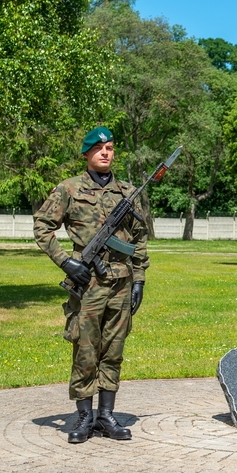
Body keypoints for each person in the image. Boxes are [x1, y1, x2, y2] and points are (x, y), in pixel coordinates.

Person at [33, 127, 149, 444]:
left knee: (113, 350)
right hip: (88, 284)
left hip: (121, 284)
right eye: (98, 148)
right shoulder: (68, 189)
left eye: (110, 147)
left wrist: (139, 278)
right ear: (86, 153)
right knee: (85, 351)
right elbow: (42, 227)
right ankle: (84, 417)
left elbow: (138, 239)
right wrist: (65, 261)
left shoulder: (128, 192)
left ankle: (106, 416)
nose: (105, 153)